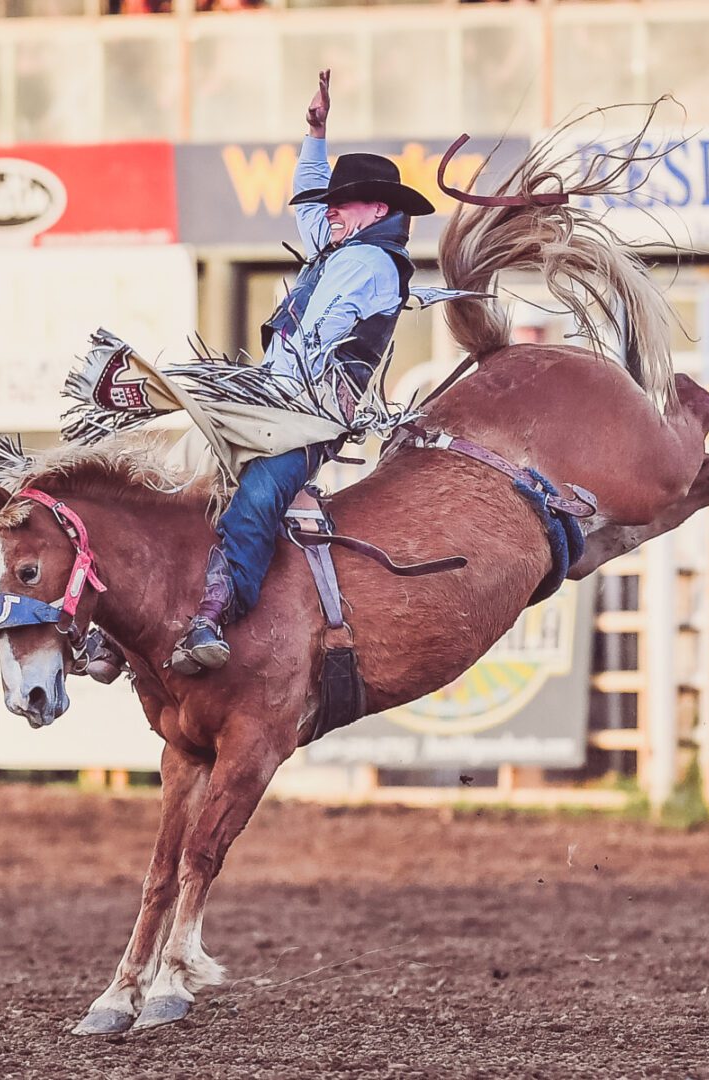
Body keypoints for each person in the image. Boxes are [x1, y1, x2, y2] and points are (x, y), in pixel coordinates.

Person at [167, 69, 434, 676]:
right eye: (333, 201)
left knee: (258, 496)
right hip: (275, 404)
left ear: (377, 209)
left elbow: (317, 339)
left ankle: (216, 614)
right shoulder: (346, 246)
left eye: (344, 201)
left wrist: (257, 391)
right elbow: (313, 209)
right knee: (184, 480)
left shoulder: (369, 264)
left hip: (309, 415)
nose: (329, 210)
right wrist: (315, 134)